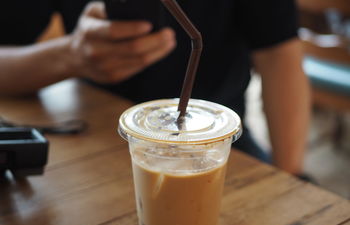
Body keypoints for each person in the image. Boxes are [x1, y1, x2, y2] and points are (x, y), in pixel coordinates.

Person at [0, 0, 310, 176]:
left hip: (221, 149)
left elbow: (279, 54)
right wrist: (70, 55)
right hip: (89, 142)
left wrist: (291, 174)